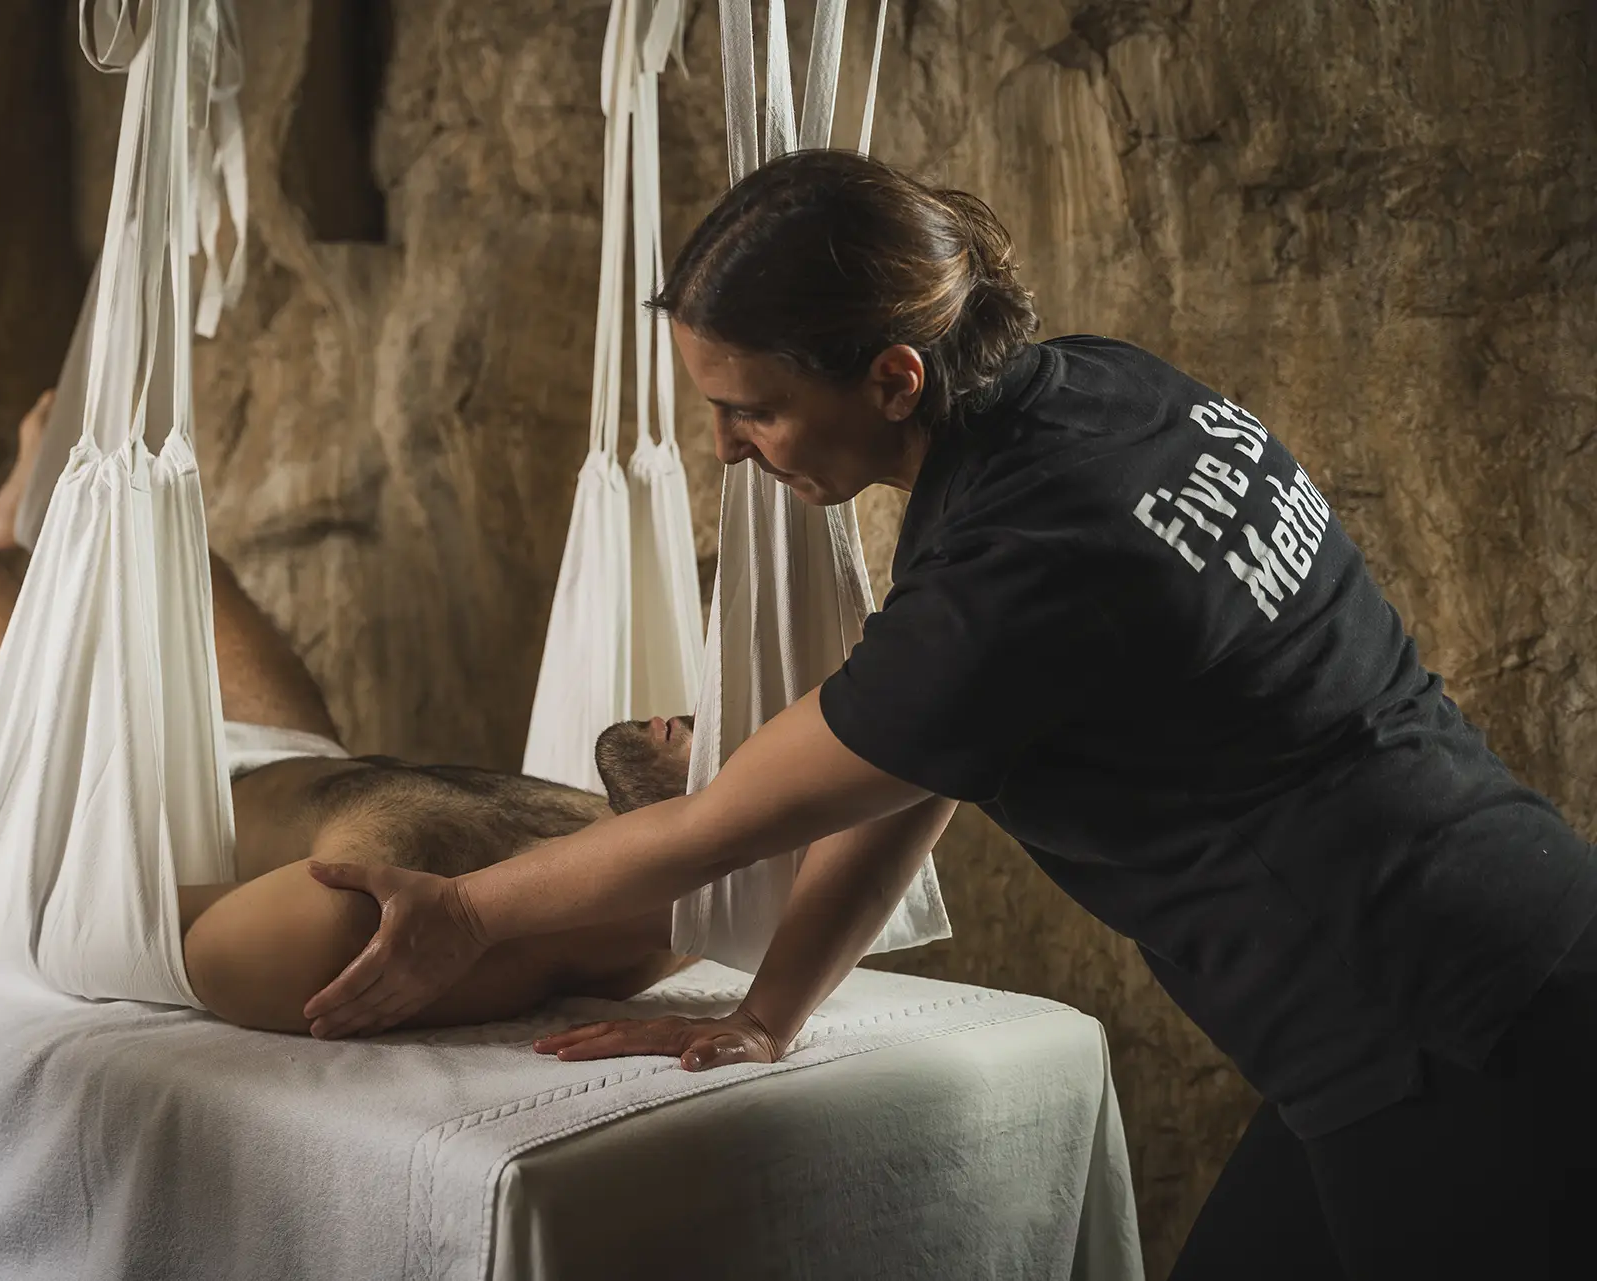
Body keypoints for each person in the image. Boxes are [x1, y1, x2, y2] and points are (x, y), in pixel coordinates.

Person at [296, 150, 1597, 1278]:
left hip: (1447, 1027)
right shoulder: (1103, 390)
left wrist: (462, 911)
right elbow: (919, 760)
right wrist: (769, 1013)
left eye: (754, 409)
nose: (730, 447)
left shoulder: (1014, 573)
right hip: (1494, 943)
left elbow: (714, 824)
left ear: (894, 377)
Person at [0, 393, 693, 1035]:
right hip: (292, 756)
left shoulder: (382, 925)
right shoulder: (621, 846)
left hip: (109, 803)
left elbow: (135, 927)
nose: (703, 710)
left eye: (730, 739)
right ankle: (32, 518)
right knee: (176, 560)